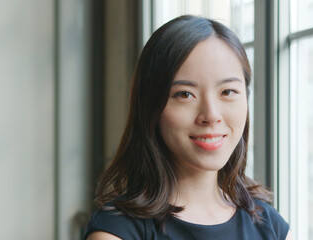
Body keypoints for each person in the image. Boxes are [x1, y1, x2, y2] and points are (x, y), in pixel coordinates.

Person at [84, 15, 292, 240]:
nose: (211, 115)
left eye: (227, 92)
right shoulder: (116, 232)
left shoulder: (271, 226)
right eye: (185, 95)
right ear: (151, 106)